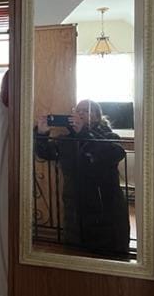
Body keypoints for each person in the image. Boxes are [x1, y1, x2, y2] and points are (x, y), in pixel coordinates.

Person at [34, 99, 130, 256]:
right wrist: (42, 133)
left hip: (105, 208)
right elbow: (46, 153)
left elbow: (115, 153)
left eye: (86, 110)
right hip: (75, 208)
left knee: (108, 254)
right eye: (77, 111)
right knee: (77, 252)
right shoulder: (67, 140)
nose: (80, 113)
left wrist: (84, 133)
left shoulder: (109, 135)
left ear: (97, 117)